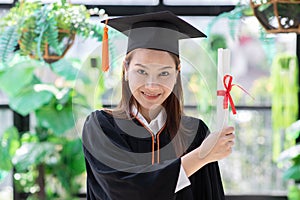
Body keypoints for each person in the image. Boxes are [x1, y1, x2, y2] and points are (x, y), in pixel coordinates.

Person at [82, 11, 235, 200]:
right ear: (126, 70)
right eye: (141, 71)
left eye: (164, 73)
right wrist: (201, 156)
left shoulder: (195, 133)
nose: (152, 85)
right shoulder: (101, 126)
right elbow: (127, 191)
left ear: (177, 72)